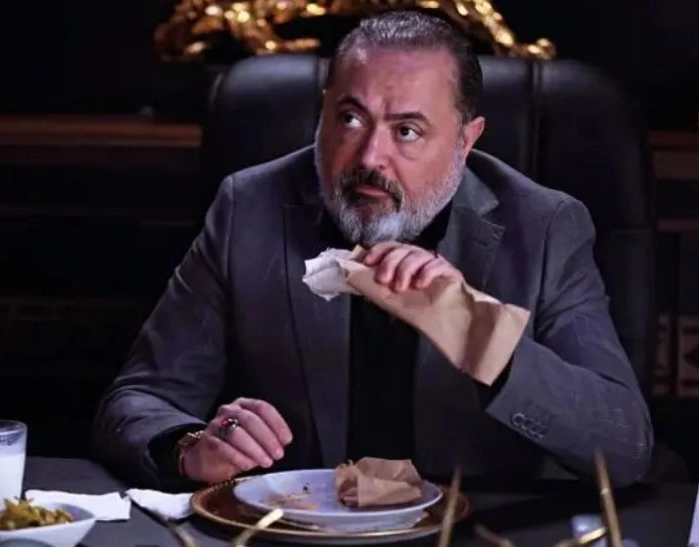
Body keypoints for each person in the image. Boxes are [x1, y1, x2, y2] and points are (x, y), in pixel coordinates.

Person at [92, 10, 653, 490]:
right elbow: (137, 401)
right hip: (295, 532)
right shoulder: (249, 207)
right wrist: (191, 446)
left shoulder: (545, 226)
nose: (369, 157)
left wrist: (474, 330)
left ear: (466, 140)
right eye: (350, 118)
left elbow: (626, 447)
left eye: (407, 130)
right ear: (323, 113)